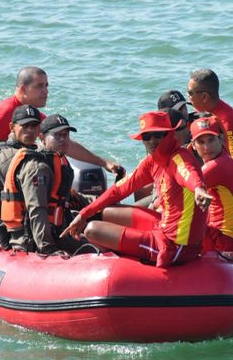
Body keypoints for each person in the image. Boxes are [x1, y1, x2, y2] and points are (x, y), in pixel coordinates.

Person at [61, 110, 213, 268]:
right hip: (163, 225)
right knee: (106, 212)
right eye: (147, 137)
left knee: (92, 230)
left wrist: (198, 189)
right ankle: (120, 247)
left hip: (176, 245)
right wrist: (84, 213)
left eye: (158, 135)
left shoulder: (179, 158)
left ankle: (119, 260)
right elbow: (119, 190)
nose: (152, 141)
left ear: (169, 134)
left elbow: (187, 173)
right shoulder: (152, 162)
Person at [0, 66, 124, 177]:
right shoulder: (6, 109)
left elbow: (68, 145)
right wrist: (18, 163)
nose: (46, 91)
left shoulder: (34, 114)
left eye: (46, 86)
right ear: (23, 89)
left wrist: (104, 163)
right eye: (40, 86)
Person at [0, 112, 83, 256]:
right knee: (96, 248)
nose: (63, 139)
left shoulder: (58, 161)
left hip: (57, 228)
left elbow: (69, 197)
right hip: (30, 238)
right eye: (57, 135)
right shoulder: (38, 168)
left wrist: (102, 204)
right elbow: (37, 210)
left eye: (66, 135)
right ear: (42, 138)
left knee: (98, 237)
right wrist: (48, 248)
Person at [190, 116, 233, 259]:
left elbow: (175, 192)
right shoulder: (224, 157)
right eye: (201, 142)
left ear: (220, 139)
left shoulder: (217, 166)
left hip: (227, 245)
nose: (207, 147)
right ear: (194, 145)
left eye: (211, 140)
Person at [0, 104, 42, 225]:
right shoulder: (7, 158)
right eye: (24, 125)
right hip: (13, 227)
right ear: (12, 127)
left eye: (34, 126)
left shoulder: (32, 153)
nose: (30, 130)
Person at [187, 68, 233, 171]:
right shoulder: (201, 110)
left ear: (204, 97)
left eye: (190, 93)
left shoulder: (228, 121)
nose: (188, 96)